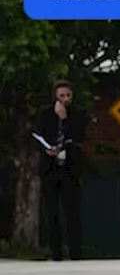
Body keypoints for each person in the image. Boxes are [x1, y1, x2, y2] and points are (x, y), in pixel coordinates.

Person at [34, 80, 87, 261]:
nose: (66, 99)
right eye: (62, 96)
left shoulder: (77, 113)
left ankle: (75, 253)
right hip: (50, 168)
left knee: (72, 212)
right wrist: (46, 149)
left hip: (70, 168)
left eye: (68, 95)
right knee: (51, 212)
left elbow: (80, 136)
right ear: (55, 97)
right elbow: (38, 135)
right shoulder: (45, 114)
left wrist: (64, 118)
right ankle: (55, 252)